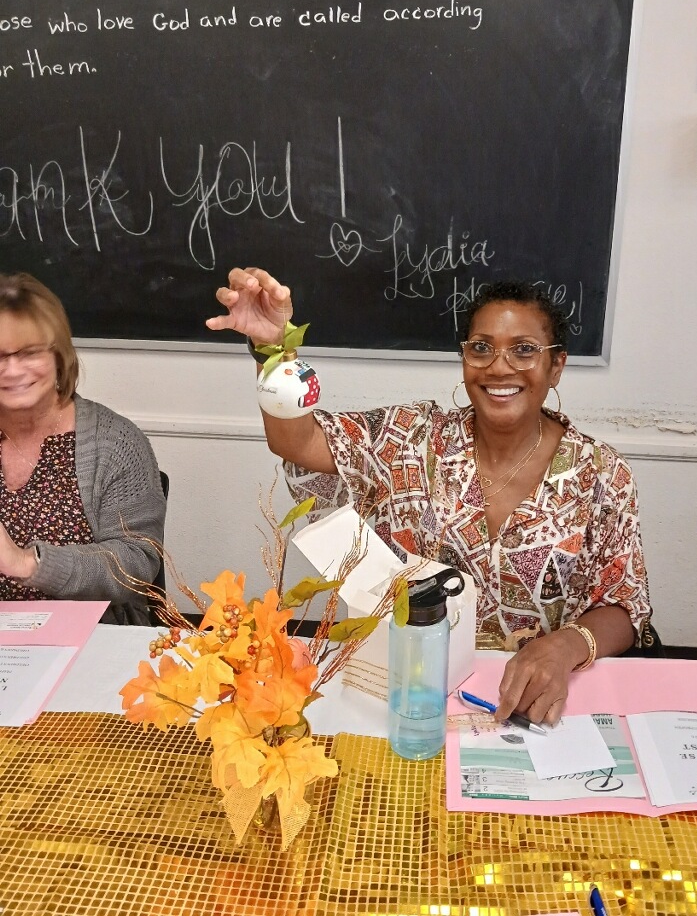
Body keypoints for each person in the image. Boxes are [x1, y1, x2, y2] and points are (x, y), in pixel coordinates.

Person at [207, 267, 651, 725]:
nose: (499, 366)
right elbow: (298, 442)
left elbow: (625, 604)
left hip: (532, 703)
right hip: (409, 693)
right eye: (481, 348)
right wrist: (274, 349)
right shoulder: (411, 439)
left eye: (524, 350)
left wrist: (565, 647)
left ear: (556, 365)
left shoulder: (602, 473)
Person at [0, 273, 166, 625]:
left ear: (59, 355)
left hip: (97, 633)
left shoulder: (116, 442)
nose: (12, 371)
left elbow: (136, 564)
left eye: (28, 353)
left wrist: (26, 563)